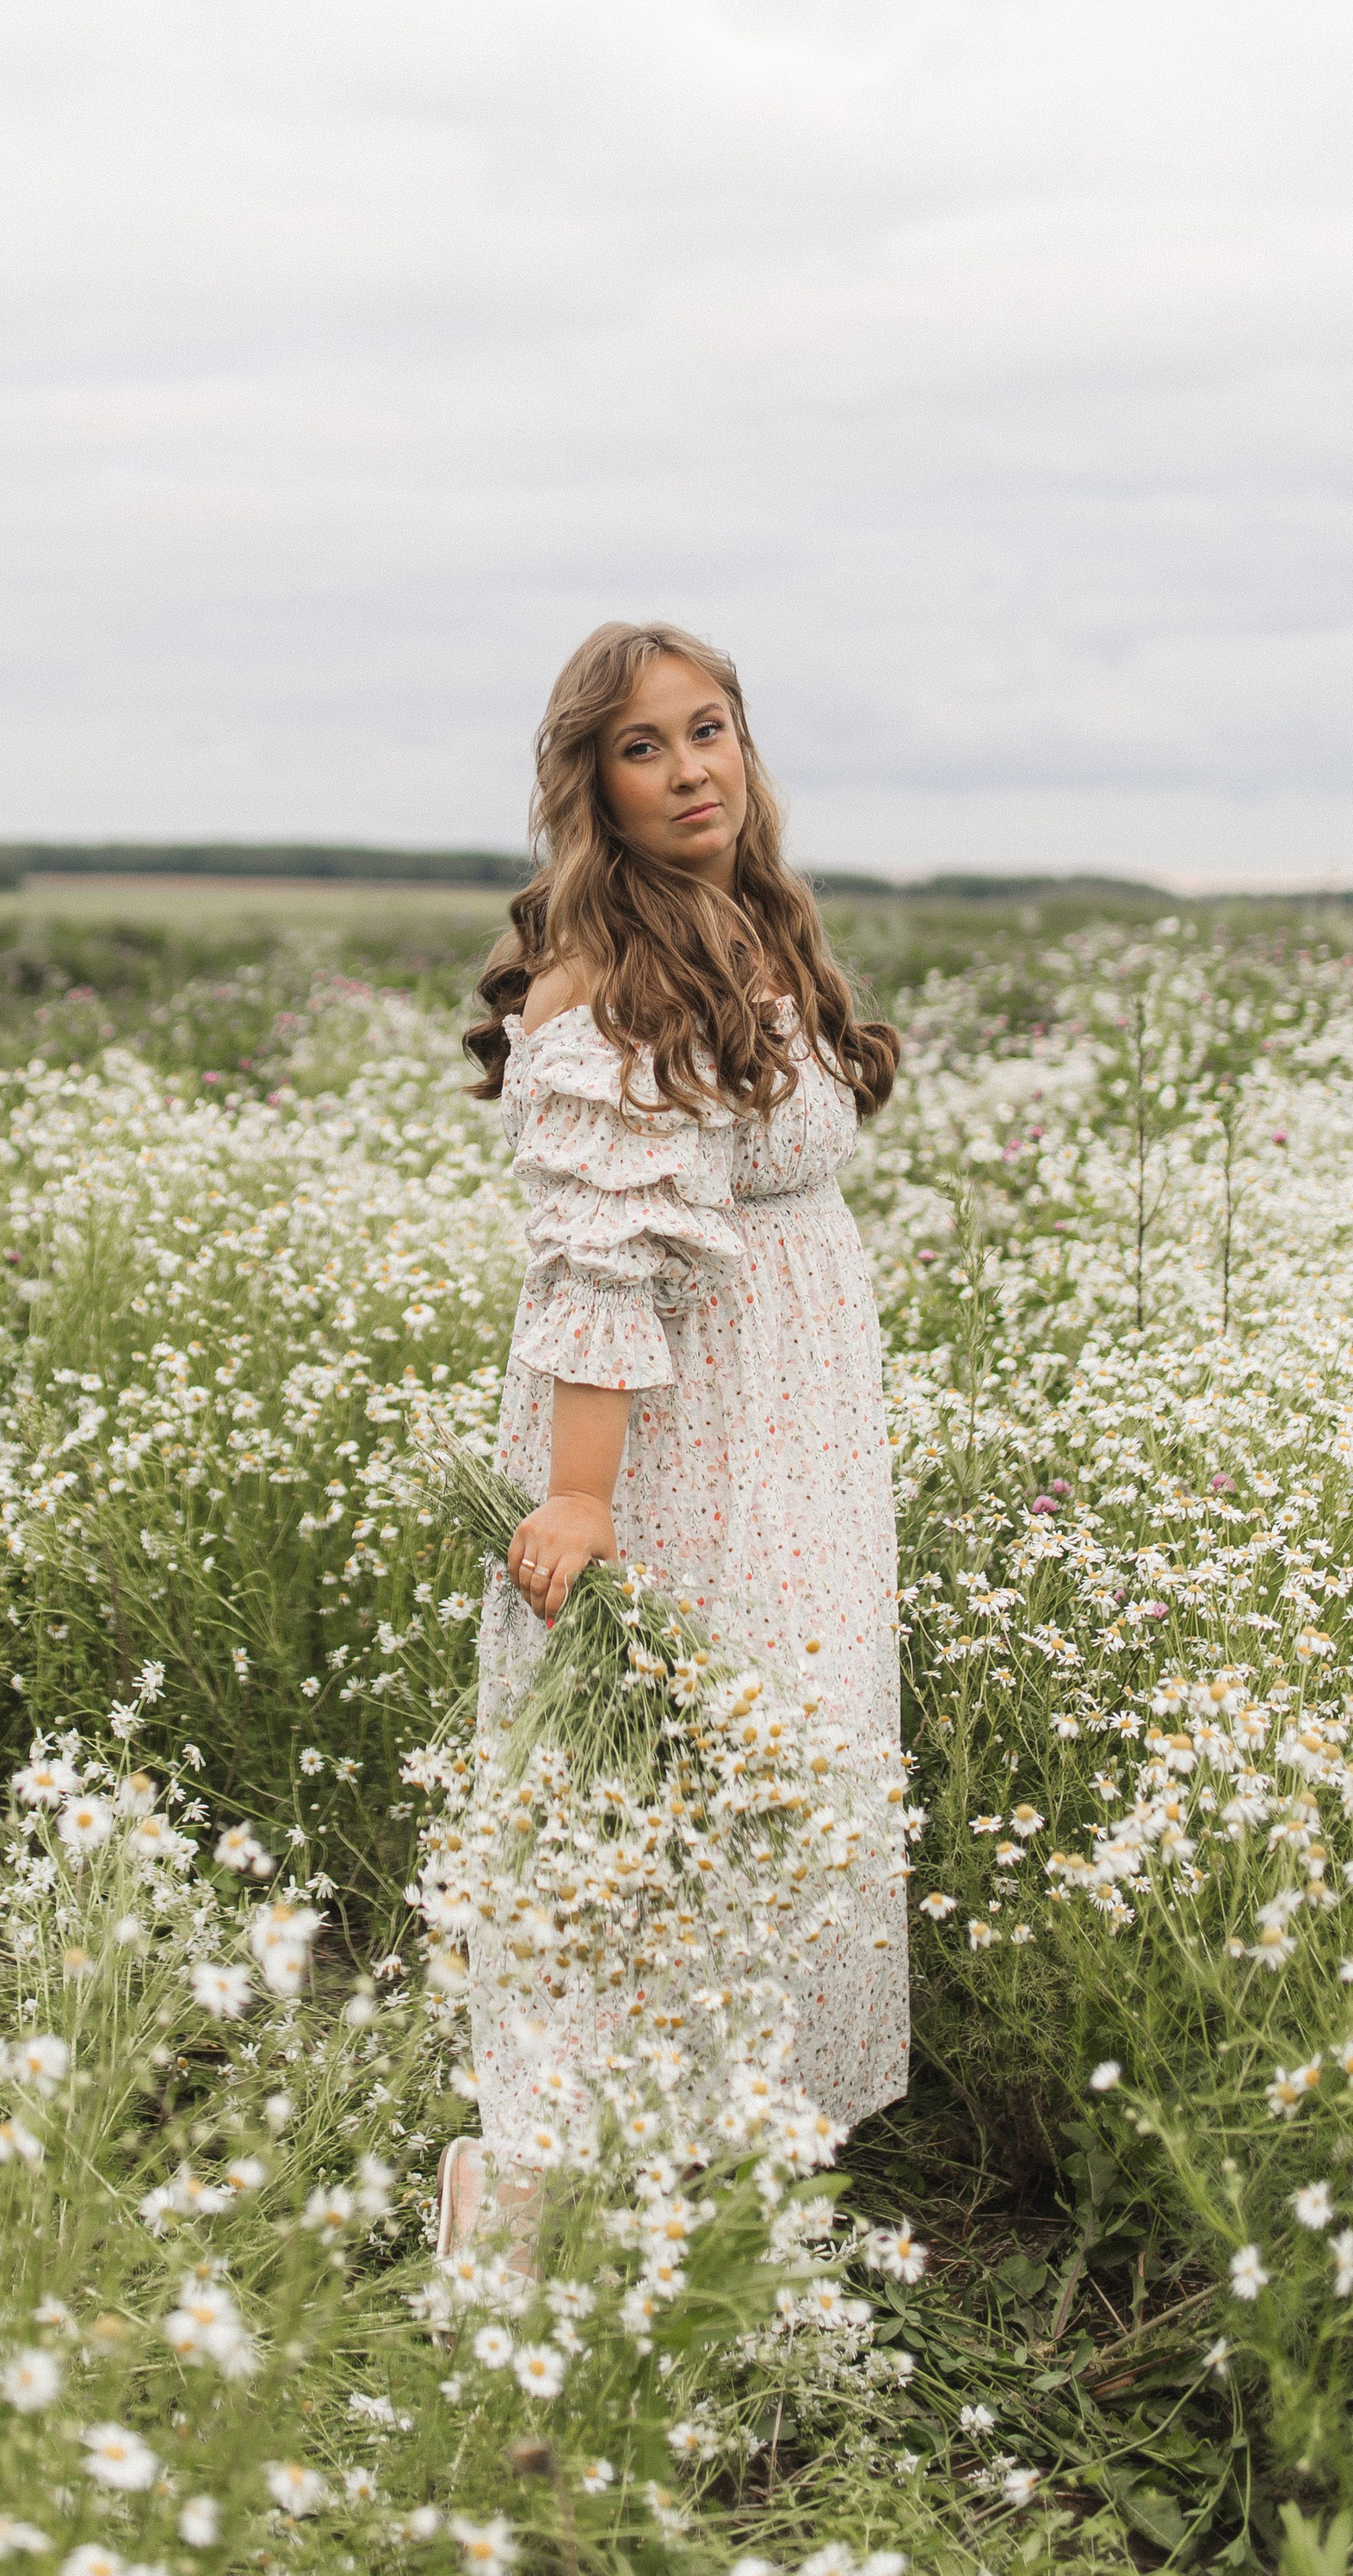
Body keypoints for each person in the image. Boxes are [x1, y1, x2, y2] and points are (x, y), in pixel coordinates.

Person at [437, 618, 907, 2261]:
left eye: (711, 729)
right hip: (673, 1436)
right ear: (593, 783)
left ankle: (706, 2197)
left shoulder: (750, 922)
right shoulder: (604, 972)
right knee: (637, 1792)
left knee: (777, 1770)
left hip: (799, 1428)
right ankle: (533, 2212)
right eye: (645, 745)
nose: (692, 767)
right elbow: (598, 1263)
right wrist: (577, 1497)